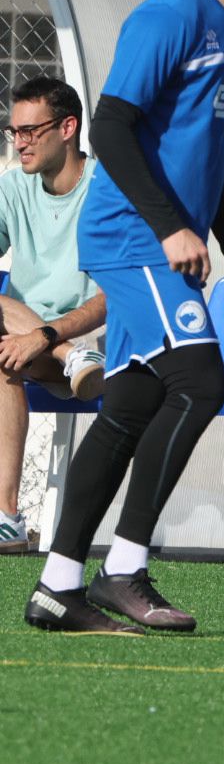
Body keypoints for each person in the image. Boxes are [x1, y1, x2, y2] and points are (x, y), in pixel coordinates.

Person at [23, 0, 224, 634]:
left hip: (168, 242)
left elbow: (206, 153)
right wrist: (175, 228)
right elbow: (110, 128)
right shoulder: (170, 16)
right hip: (129, 235)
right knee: (201, 381)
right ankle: (125, 569)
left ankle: (57, 586)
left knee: (134, 403)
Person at [0, 77, 108, 553]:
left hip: (101, 345)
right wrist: (51, 345)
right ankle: (7, 519)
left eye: (30, 131)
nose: (19, 142)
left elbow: (115, 297)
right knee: (6, 359)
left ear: (68, 127)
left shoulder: (107, 188)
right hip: (50, 352)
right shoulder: (11, 186)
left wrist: (47, 334)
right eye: (13, 131)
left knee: (8, 359)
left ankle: (6, 517)